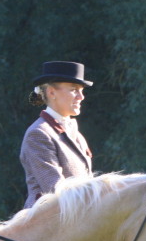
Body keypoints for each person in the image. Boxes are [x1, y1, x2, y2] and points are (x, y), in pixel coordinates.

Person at [20, 61, 94, 209]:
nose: (81, 97)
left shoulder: (76, 134)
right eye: (74, 90)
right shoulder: (38, 134)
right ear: (51, 92)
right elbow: (57, 191)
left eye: (81, 91)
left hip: (79, 219)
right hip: (47, 225)